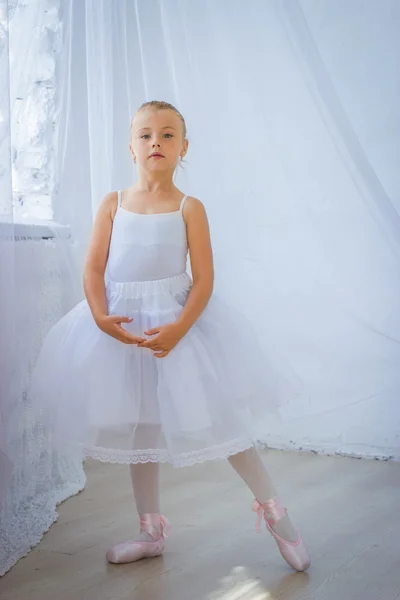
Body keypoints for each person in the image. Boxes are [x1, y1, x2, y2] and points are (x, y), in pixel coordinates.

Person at [32, 100, 310, 572]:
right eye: (145, 135)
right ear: (131, 147)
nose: (155, 142)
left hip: (177, 326)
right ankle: (150, 530)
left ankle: (275, 511)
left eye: (166, 135)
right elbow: (94, 267)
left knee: (221, 421)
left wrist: (180, 329)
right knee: (143, 427)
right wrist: (101, 317)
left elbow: (203, 278)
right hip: (123, 331)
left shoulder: (189, 207)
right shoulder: (113, 203)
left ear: (183, 147)